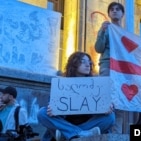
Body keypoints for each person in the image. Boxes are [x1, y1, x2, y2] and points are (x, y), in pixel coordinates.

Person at [37, 52, 115, 141]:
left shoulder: (96, 85)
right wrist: (51, 109)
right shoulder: (61, 85)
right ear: (74, 64)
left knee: (110, 117)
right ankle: (80, 133)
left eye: (89, 62)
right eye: (83, 61)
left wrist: (107, 108)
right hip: (65, 124)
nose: (87, 64)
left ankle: (70, 134)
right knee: (42, 113)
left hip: (89, 125)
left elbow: (102, 106)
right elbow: (52, 105)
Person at [94, 2, 125, 134]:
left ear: (122, 14)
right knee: (105, 97)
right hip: (107, 64)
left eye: (118, 9)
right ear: (109, 14)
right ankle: (104, 130)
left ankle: (116, 133)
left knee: (120, 100)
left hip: (122, 69)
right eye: (111, 9)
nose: (114, 11)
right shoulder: (105, 29)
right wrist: (101, 31)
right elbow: (98, 48)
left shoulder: (125, 33)